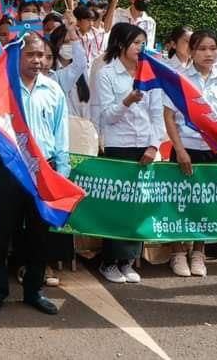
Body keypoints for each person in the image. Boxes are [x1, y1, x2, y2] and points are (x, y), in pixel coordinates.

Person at [0, 33, 68, 319]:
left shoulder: (53, 90)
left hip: (44, 171)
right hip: (10, 169)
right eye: (31, 54)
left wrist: (61, 173)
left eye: (41, 55)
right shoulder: (3, 89)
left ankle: (34, 290)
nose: (37, 60)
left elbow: (61, 134)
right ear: (18, 57)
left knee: (39, 236)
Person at [90, 23, 164, 284]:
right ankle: (109, 261)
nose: (140, 48)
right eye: (136, 43)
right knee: (118, 204)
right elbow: (107, 116)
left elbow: (157, 115)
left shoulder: (150, 73)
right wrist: (127, 101)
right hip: (118, 144)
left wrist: (153, 146)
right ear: (121, 44)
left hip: (144, 145)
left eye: (143, 43)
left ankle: (128, 260)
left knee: (138, 204)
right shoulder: (106, 73)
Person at [163, 30, 217, 278]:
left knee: (205, 202)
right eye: (203, 49)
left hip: (212, 150)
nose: (209, 54)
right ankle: (177, 252)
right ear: (192, 51)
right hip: (186, 148)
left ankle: (198, 252)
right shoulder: (180, 79)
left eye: (213, 48)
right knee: (180, 201)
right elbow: (169, 116)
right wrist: (180, 150)